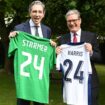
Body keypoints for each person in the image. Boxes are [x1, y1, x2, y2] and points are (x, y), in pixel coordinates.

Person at [9, 0, 56, 105]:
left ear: (43, 14)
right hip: (25, 78)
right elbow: (13, 51)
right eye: (34, 11)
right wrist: (12, 38)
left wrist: (51, 45)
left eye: (40, 12)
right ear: (30, 13)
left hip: (39, 78)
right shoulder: (19, 29)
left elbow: (45, 50)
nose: (37, 14)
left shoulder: (47, 30)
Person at [56, 9, 101, 105]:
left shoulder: (91, 36)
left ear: (80, 20)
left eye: (74, 20)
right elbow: (59, 67)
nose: (72, 23)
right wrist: (57, 55)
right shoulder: (62, 39)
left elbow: (99, 57)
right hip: (71, 85)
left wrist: (91, 52)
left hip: (89, 83)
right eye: (69, 21)